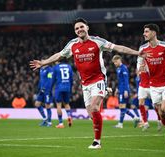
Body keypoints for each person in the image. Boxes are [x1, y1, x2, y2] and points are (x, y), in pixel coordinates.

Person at [30, 18, 143, 149]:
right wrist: (43, 63)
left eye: (81, 27)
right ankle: (105, 92)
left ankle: (97, 142)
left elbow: (118, 48)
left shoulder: (97, 41)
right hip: (85, 84)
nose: (79, 30)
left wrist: (137, 53)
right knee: (91, 114)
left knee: (95, 107)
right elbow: (59, 55)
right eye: (77, 29)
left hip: (98, 79)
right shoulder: (72, 44)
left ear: (87, 28)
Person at [138, 23, 165, 144]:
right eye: (144, 31)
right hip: (153, 86)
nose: (144, 34)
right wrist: (142, 67)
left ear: (154, 33)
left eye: (146, 31)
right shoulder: (143, 49)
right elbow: (141, 61)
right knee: (161, 114)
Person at [112, 55, 140, 129]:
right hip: (120, 89)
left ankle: (122, 123)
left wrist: (126, 90)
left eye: (115, 62)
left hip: (124, 90)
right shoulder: (118, 69)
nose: (115, 63)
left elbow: (126, 80)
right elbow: (120, 81)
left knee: (122, 106)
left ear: (119, 60)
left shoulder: (124, 68)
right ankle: (134, 118)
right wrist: (117, 89)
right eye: (114, 62)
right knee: (121, 107)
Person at [135, 64, 162, 131]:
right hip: (142, 86)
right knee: (141, 104)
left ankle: (159, 120)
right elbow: (139, 72)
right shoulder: (139, 62)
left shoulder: (150, 62)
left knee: (155, 105)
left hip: (151, 86)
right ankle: (145, 123)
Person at [52, 59, 73, 128]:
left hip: (59, 87)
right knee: (67, 104)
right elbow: (71, 78)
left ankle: (61, 123)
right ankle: (69, 116)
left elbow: (53, 79)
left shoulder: (56, 67)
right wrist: (70, 87)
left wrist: (51, 88)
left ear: (57, 61)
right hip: (67, 87)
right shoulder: (69, 66)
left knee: (59, 105)